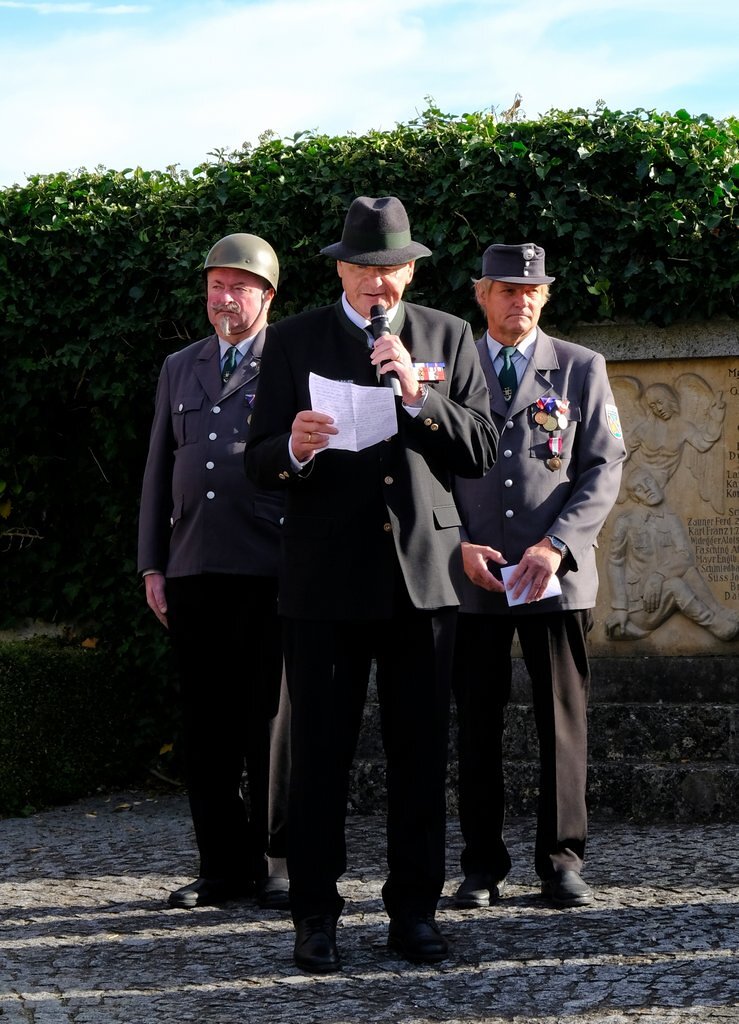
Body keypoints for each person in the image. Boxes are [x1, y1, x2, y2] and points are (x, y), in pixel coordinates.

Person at [245, 196, 497, 972]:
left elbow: (481, 448)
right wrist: (294, 447)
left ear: (409, 272)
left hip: (420, 580)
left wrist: (419, 397)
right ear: (340, 271)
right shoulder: (293, 340)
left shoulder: (448, 336)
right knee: (318, 757)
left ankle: (413, 913)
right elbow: (258, 459)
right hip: (325, 582)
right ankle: (314, 916)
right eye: (362, 268)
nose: (375, 283)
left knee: (418, 755)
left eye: (389, 270)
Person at [451, 243, 626, 911]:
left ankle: (561, 861)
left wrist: (556, 546)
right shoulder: (451, 367)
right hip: (475, 575)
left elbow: (602, 467)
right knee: (476, 724)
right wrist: (457, 544)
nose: (519, 300)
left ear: (545, 297)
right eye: (505, 289)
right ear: (481, 295)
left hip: (554, 575)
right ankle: (480, 865)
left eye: (531, 290)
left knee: (561, 721)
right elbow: (429, 469)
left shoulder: (581, 367)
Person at [137, 232, 290, 911]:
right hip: (194, 565)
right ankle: (221, 868)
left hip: (269, 566)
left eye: (237, 288)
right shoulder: (181, 366)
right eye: (214, 288)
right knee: (206, 728)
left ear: (267, 296)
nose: (223, 300)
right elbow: (158, 468)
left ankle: (278, 864)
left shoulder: (290, 360)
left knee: (271, 724)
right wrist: (153, 563)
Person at [605, 467, 739, 642]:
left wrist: (658, 576)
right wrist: (620, 608)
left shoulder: (670, 518)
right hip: (640, 606)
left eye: (648, 481)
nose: (647, 489)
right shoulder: (626, 522)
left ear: (656, 482)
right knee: (676, 585)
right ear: (635, 497)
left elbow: (685, 557)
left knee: (689, 571)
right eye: (638, 488)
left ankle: (718, 611)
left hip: (661, 591)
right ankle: (715, 624)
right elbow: (615, 562)